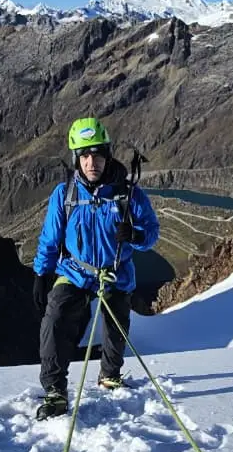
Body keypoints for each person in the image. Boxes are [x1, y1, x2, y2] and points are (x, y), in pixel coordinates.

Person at [32, 117, 160, 420]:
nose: (92, 162)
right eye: (85, 155)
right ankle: (55, 390)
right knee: (56, 319)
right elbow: (50, 238)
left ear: (107, 154)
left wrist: (137, 236)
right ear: (76, 158)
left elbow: (151, 231)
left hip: (115, 272)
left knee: (115, 326)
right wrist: (42, 273)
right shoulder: (65, 195)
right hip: (75, 272)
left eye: (98, 154)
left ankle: (109, 374)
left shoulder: (128, 195)